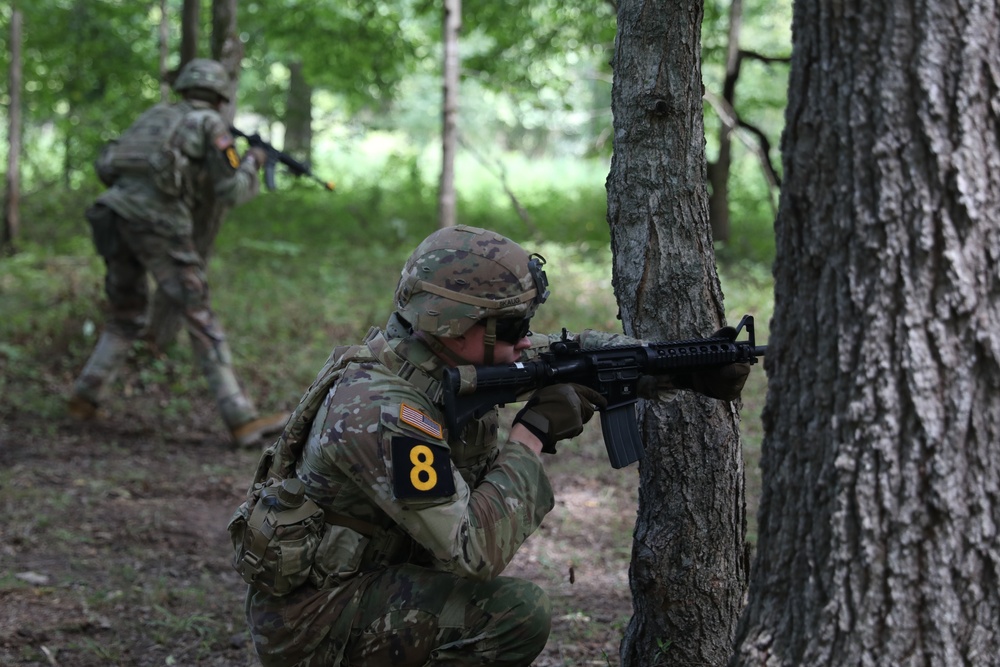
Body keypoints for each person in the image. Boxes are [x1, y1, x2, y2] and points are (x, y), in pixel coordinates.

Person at [235, 225, 751, 666]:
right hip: (315, 622)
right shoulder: (382, 411)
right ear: (455, 325)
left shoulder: (432, 360)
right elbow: (471, 550)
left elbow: (568, 354)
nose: (527, 339)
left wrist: (681, 367)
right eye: (514, 325)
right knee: (515, 613)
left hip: (379, 575)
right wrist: (532, 433)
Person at [68, 58, 287, 448]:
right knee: (198, 313)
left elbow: (109, 166)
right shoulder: (210, 125)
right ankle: (241, 417)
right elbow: (232, 191)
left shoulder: (155, 115)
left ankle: (85, 397)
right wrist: (252, 161)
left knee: (126, 315)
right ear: (220, 96)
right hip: (157, 224)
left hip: (112, 215)